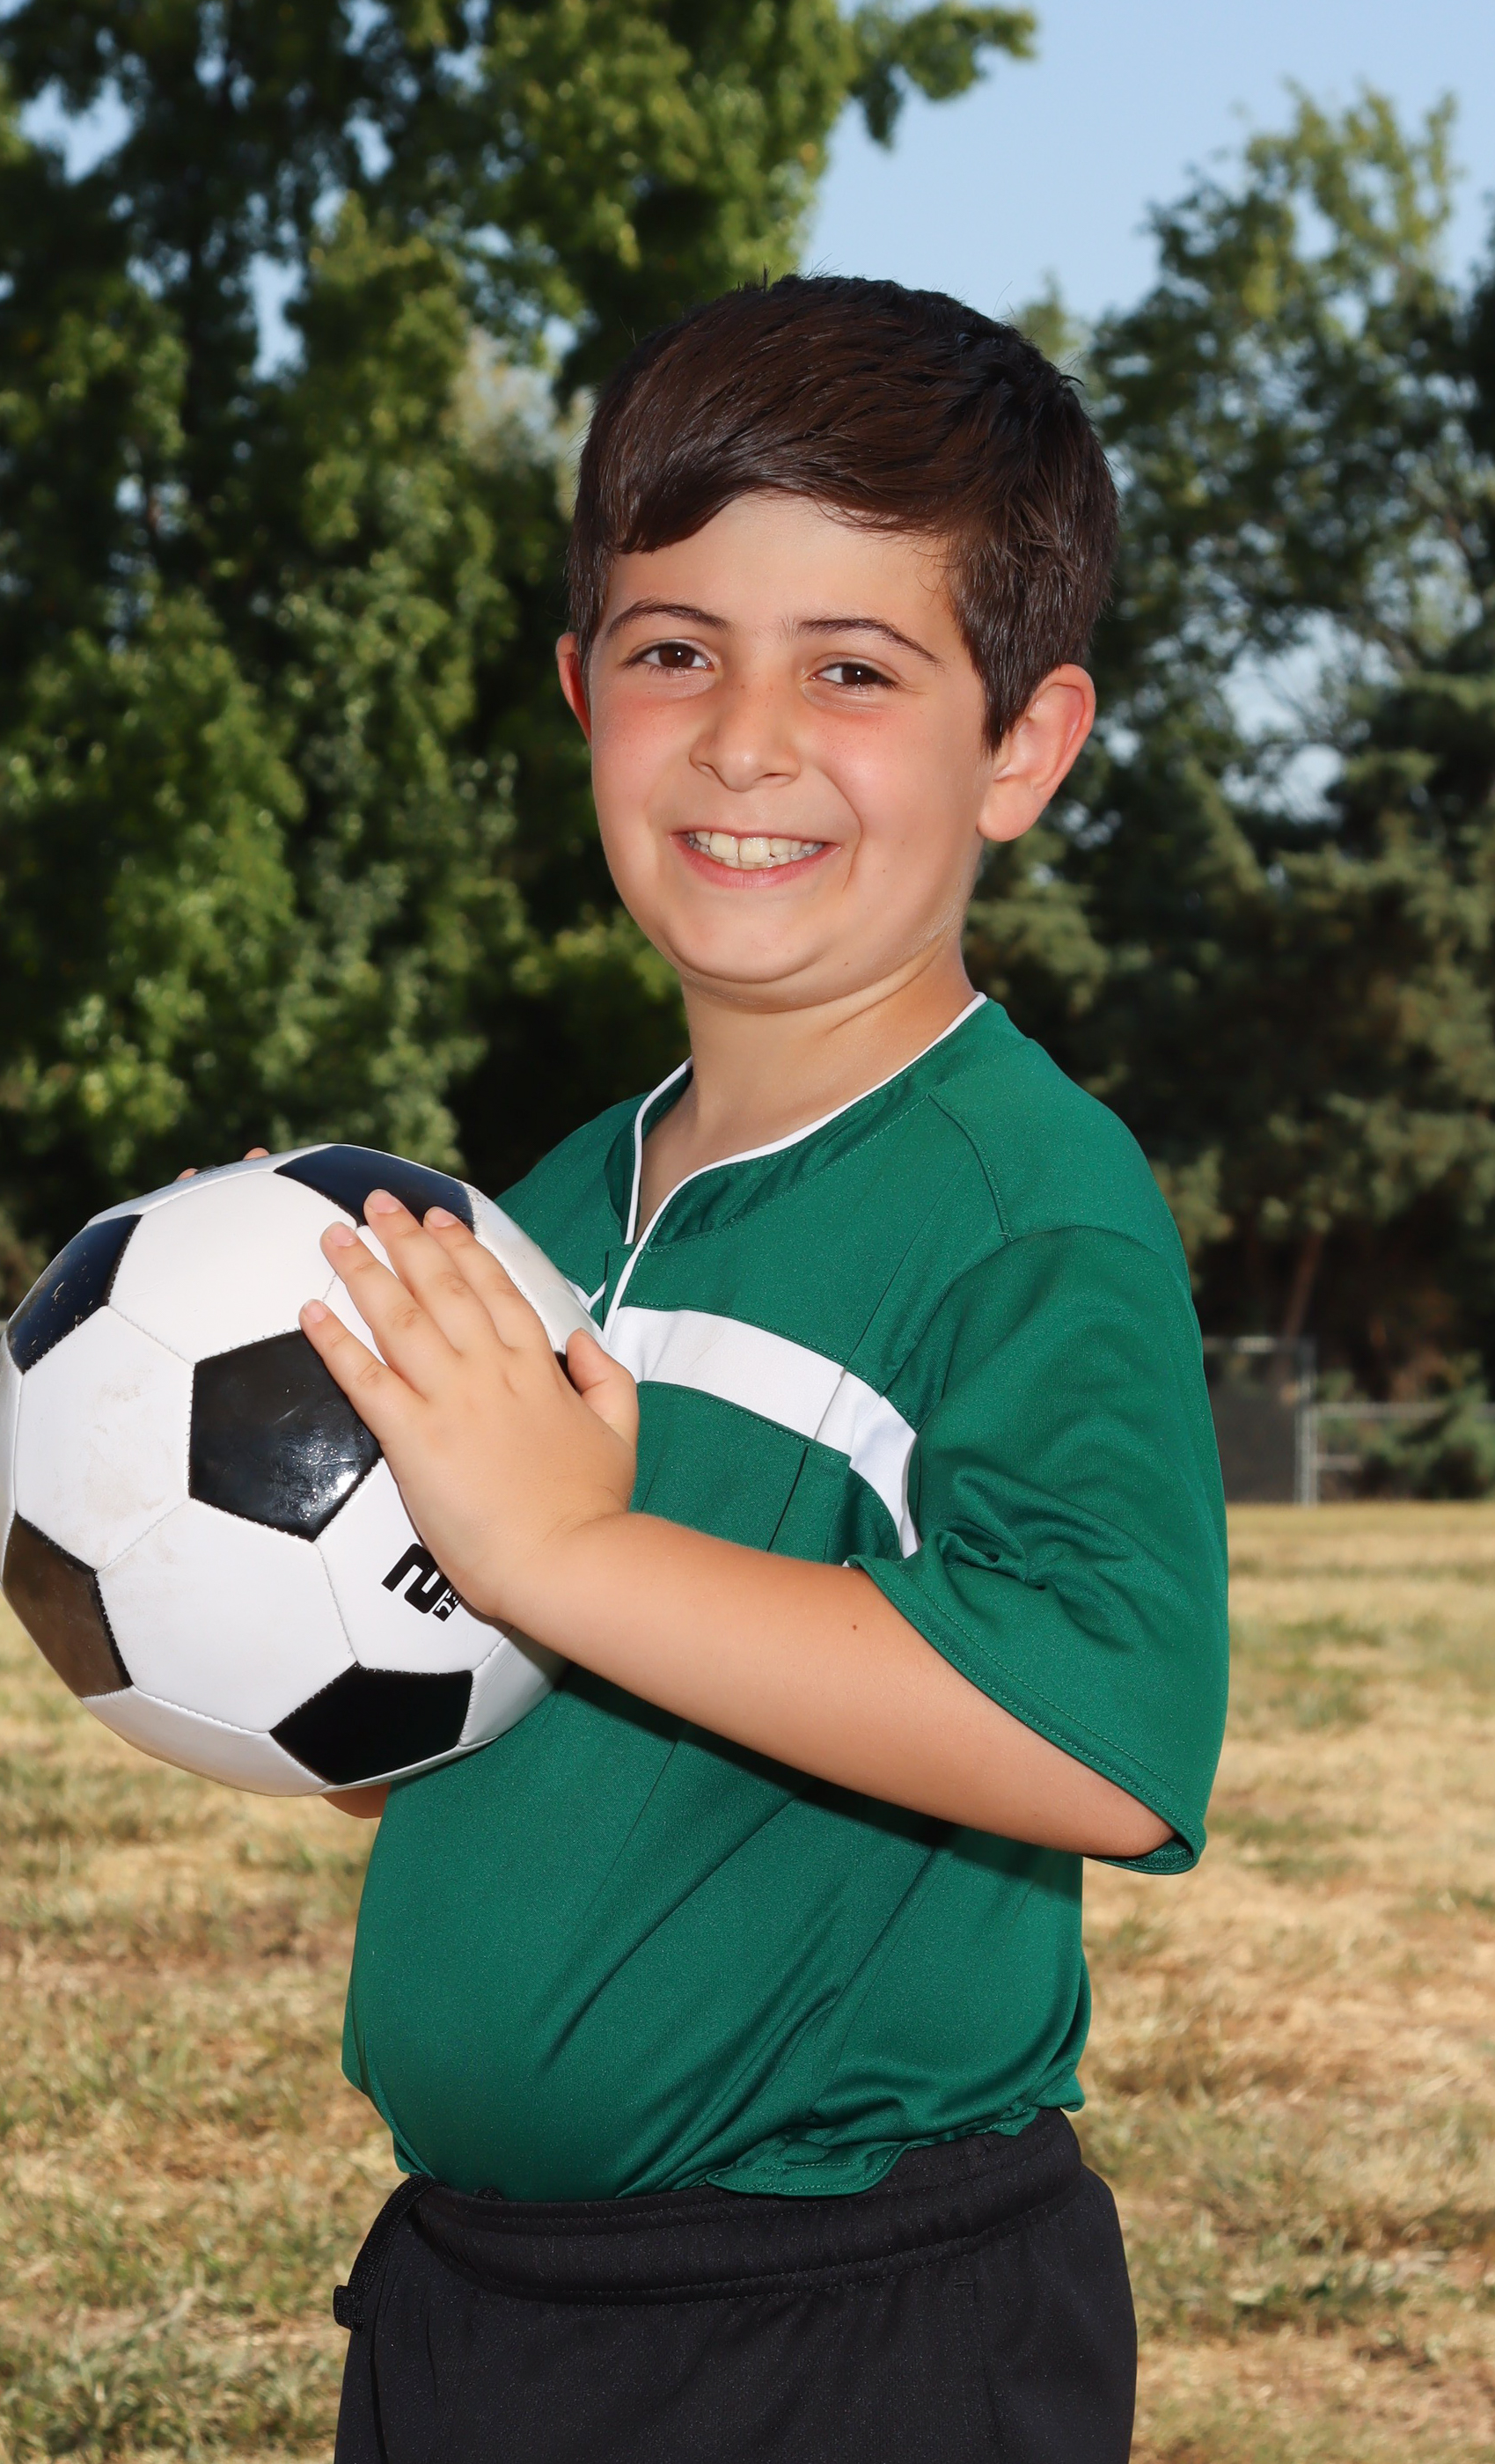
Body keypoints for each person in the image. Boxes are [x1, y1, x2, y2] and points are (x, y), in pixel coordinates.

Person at [301, 277, 1229, 2463]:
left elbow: (1104, 1729)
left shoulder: (1022, 1199)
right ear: (579, 689)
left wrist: (561, 1552)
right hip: (478, 2299)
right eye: (673, 650)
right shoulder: (541, 1201)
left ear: (1023, 748)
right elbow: (465, 1699)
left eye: (852, 668)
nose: (742, 738)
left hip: (845, 2322)